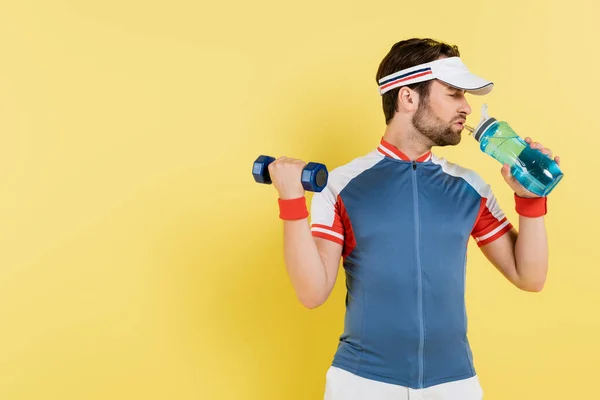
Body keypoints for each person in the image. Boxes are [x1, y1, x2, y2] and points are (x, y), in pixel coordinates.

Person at [267, 38, 560, 400]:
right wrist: (292, 200)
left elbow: (530, 276)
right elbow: (312, 292)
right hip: (362, 385)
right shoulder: (341, 185)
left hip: (455, 386)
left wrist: (529, 200)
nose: (466, 107)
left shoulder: (470, 187)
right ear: (408, 97)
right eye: (453, 93)